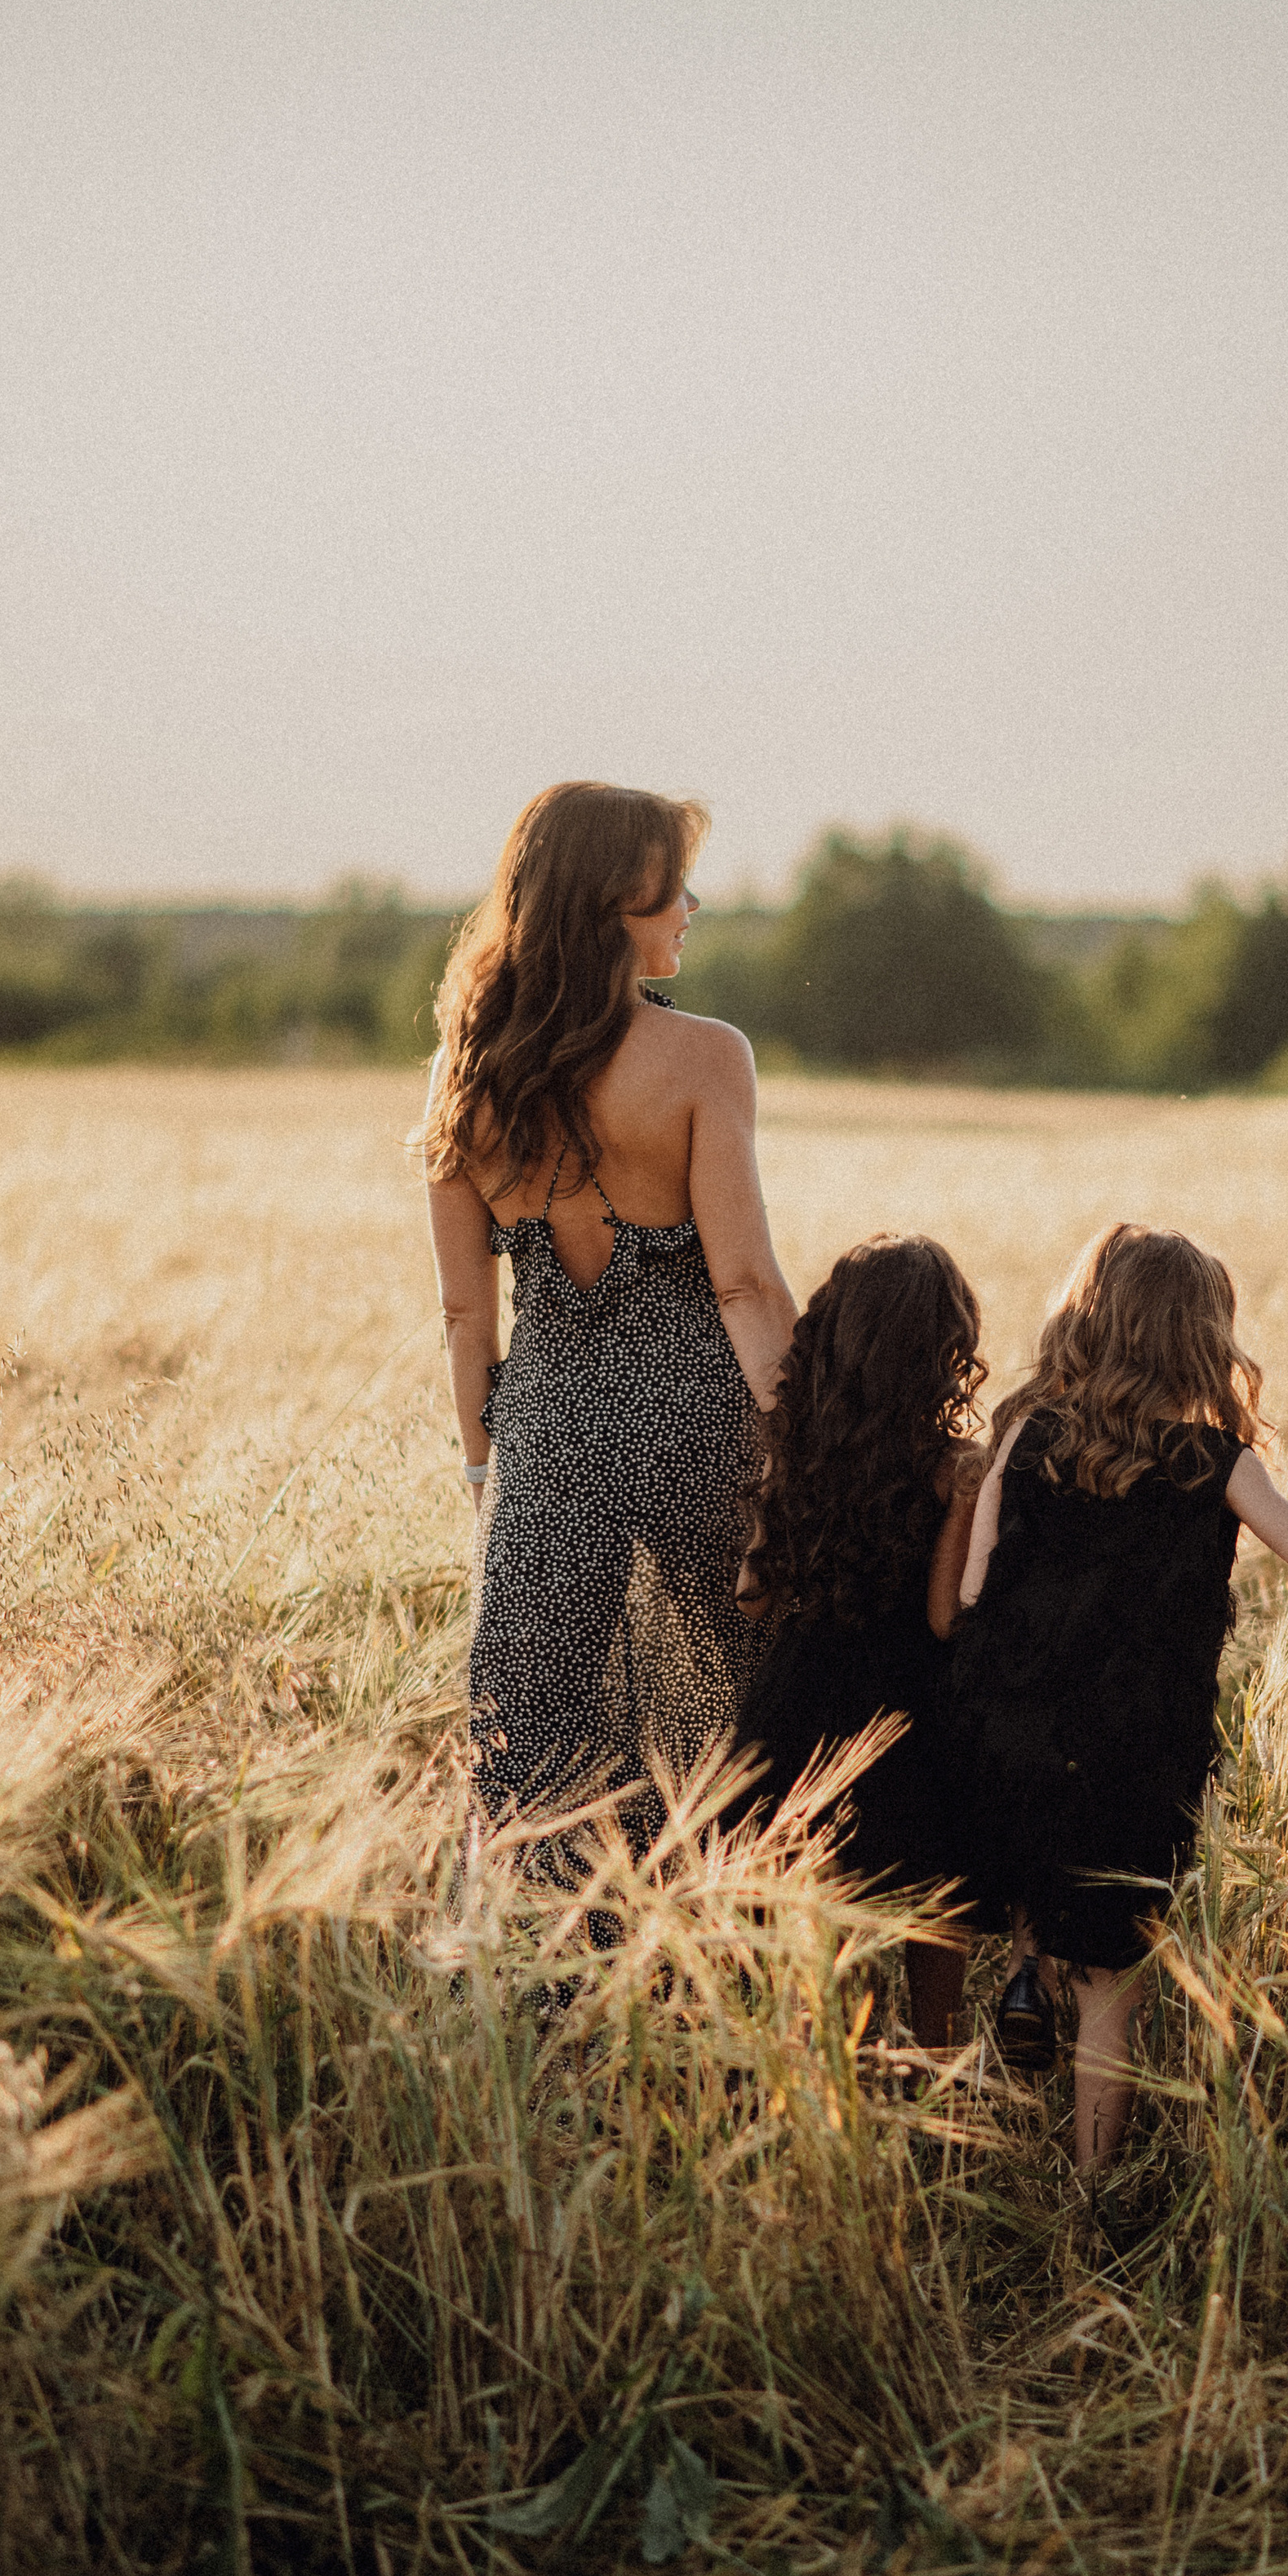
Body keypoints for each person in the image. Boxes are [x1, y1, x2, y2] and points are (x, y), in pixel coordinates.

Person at [952, 1223, 1288, 2175]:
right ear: (1201, 1340)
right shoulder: (1213, 1462)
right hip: (1137, 1750)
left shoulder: (1028, 1438)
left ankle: (1028, 1969)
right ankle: (1093, 2195)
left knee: (1034, 1847)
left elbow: (973, 1595)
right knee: (1113, 1981)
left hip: (1010, 1727)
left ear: (1087, 1324)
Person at [424, 780, 798, 1877]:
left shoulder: (467, 1072)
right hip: (700, 1431)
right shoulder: (705, 1058)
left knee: (539, 1729)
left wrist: (485, 1471)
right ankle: (712, 1980)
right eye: (672, 888)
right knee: (722, 1722)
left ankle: (553, 1986)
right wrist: (806, 1442)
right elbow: (744, 1286)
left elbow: (462, 1313)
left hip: (543, 1439)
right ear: (609, 907)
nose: (692, 906)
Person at [732, 1235, 987, 2049]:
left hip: (797, 1713)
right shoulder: (955, 1468)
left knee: (831, 1962)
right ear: (943, 1354)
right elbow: (947, 1619)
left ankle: (843, 2109)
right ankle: (941, 2084)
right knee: (933, 1913)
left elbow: (752, 1594)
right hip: (909, 1722)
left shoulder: (798, 1448)